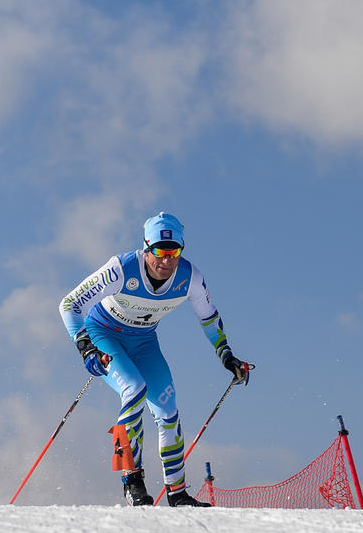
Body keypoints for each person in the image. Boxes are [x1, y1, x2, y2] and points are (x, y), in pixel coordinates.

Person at [59, 213, 252, 507]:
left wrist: (227, 355)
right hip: (104, 334)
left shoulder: (190, 278)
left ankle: (177, 492)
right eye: (160, 252)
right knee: (133, 390)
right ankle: (131, 480)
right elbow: (70, 304)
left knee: (167, 409)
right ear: (147, 248)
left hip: (144, 342)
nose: (166, 260)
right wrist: (85, 347)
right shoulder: (121, 268)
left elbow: (209, 318)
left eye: (174, 251)